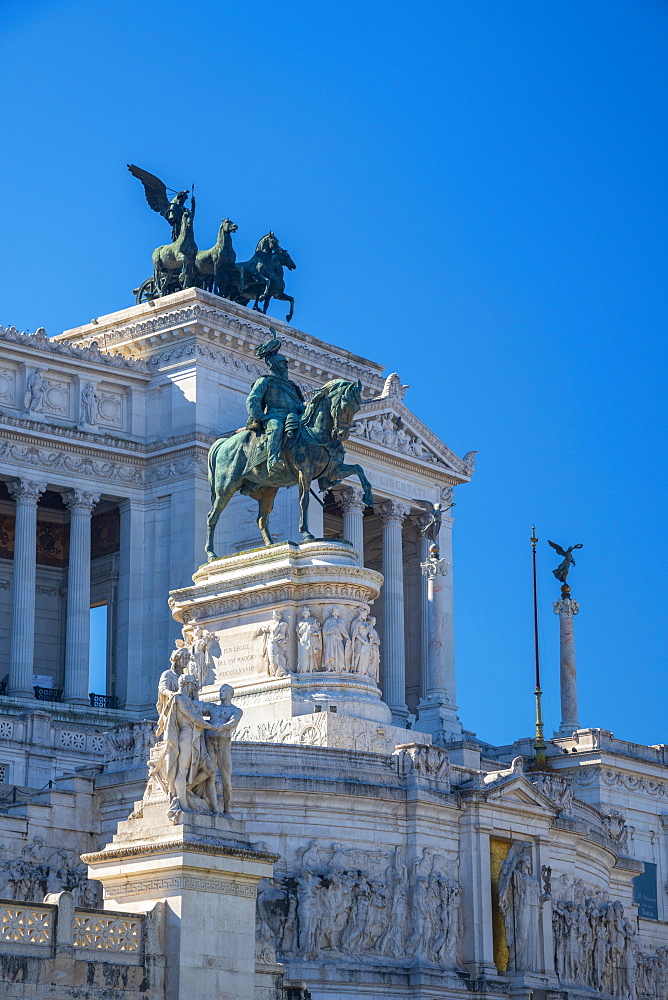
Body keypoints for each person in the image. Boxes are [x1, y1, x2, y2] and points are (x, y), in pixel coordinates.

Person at [246, 337, 305, 475]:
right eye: (283, 364)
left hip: (293, 417)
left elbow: (298, 404)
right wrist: (261, 417)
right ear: (275, 365)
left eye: (286, 364)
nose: (286, 367)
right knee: (276, 427)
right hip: (274, 415)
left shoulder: (292, 386)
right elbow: (253, 400)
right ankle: (273, 459)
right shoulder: (265, 381)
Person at [202, 684, 242, 814]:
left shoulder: (236, 710)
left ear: (231, 693)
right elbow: (199, 707)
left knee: (227, 782)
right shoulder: (213, 708)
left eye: (224, 691)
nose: (221, 693)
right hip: (210, 743)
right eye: (220, 691)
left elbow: (233, 722)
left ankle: (227, 810)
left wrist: (223, 726)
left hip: (224, 745)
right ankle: (214, 809)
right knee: (211, 776)